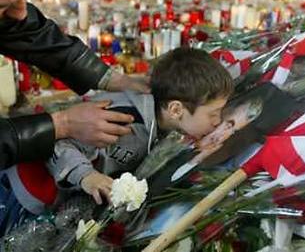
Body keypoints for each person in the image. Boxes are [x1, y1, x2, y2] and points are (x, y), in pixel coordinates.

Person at [1, 47, 234, 237]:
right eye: (214, 114)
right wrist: (87, 176)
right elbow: (57, 141)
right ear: (175, 109)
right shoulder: (124, 122)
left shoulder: (157, 120)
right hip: (23, 194)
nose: (218, 121)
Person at [0, 0, 149, 169]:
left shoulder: (12, 12)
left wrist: (111, 78)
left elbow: (27, 32)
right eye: (4, 5)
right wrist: (62, 124)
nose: (21, 13)